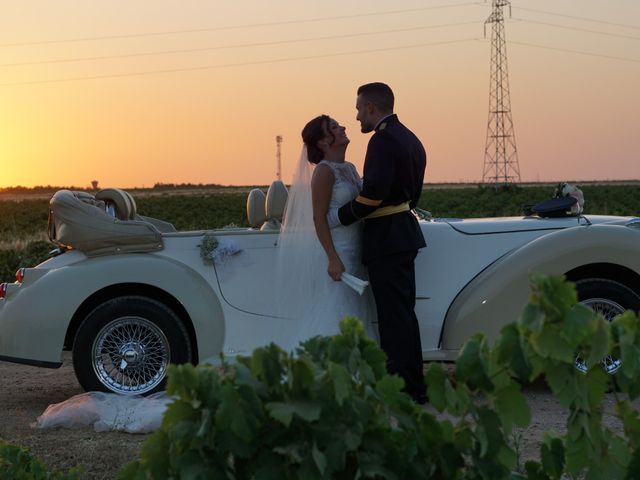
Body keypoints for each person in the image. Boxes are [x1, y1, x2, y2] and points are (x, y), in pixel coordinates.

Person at [328, 82, 427, 403]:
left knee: (392, 318)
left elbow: (372, 195)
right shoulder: (410, 137)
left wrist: (338, 218)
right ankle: (414, 386)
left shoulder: (382, 141)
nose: (357, 117)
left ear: (371, 107)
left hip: (386, 237)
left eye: (358, 109)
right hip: (403, 231)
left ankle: (403, 390)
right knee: (404, 315)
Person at [274, 115, 378, 348]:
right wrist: (333, 258)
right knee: (337, 308)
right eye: (333, 127)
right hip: (339, 251)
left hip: (356, 249)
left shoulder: (349, 168)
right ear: (322, 142)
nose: (342, 127)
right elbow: (318, 218)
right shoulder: (324, 172)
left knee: (355, 308)